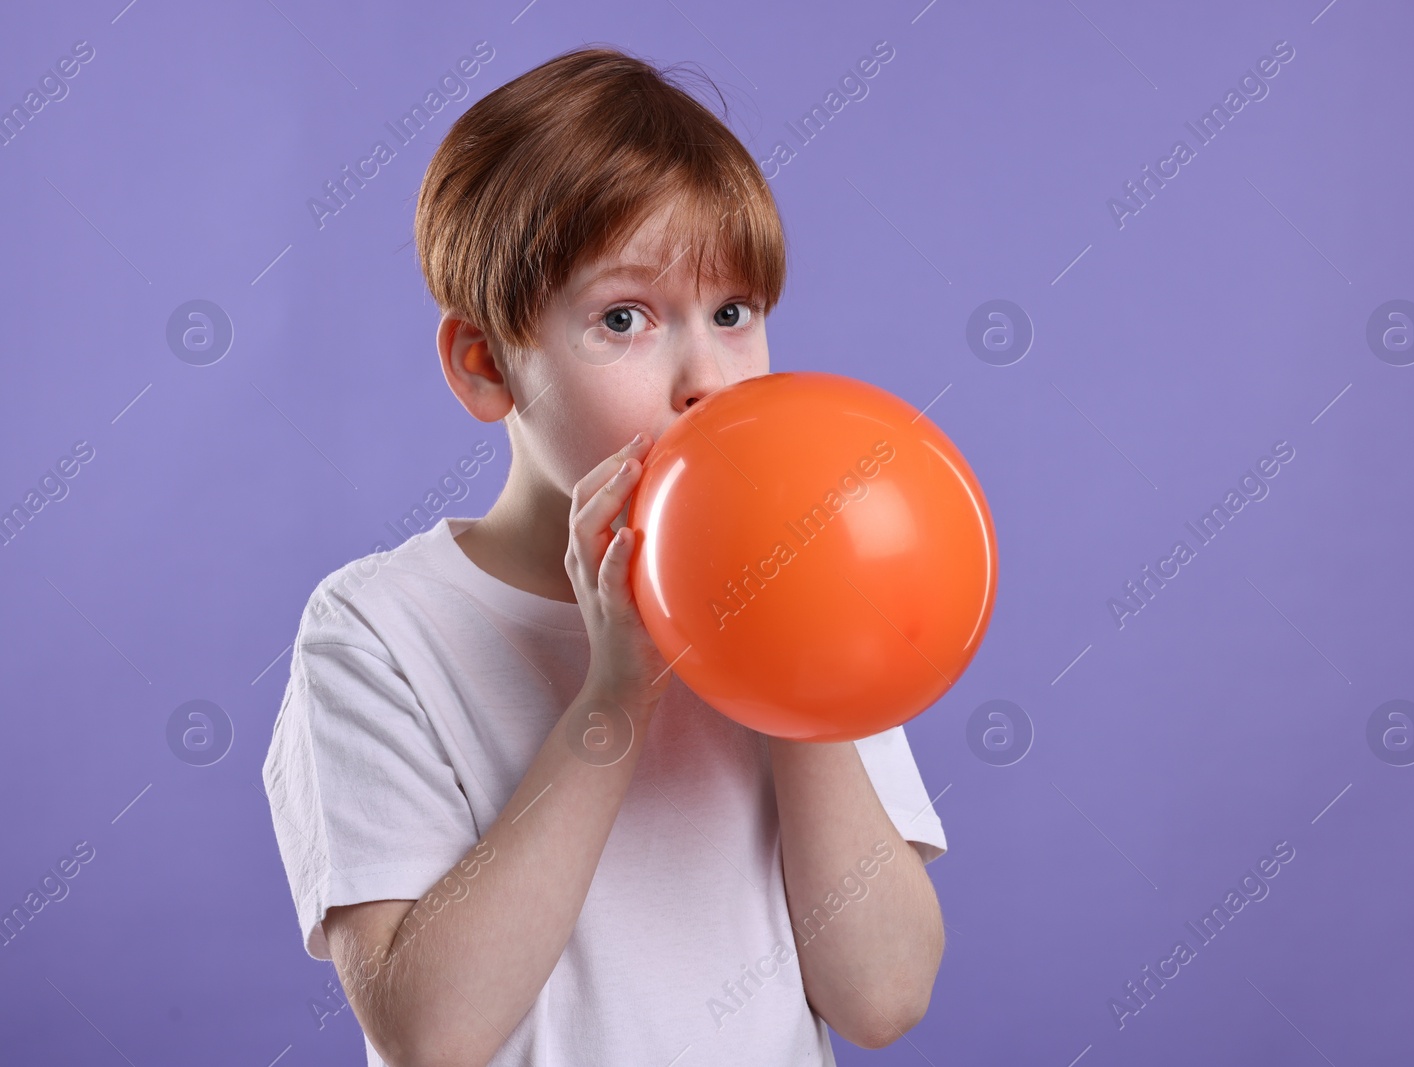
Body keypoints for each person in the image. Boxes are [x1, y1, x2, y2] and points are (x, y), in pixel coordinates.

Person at [260, 45, 948, 1067]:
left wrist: (795, 671)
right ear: (486, 363)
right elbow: (429, 1032)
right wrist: (615, 695)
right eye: (623, 319)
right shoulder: (378, 631)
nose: (705, 378)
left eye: (733, 313)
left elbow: (883, 994)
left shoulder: (813, 595)